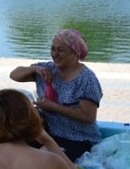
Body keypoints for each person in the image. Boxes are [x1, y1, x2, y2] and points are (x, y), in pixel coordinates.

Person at [9, 29, 103, 161]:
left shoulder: (87, 79)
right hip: (50, 133)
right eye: (53, 49)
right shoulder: (48, 69)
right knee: (15, 148)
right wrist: (33, 69)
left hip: (79, 138)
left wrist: (53, 107)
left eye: (61, 50)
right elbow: (14, 75)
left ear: (75, 53)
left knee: (42, 158)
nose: (55, 54)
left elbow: (88, 116)